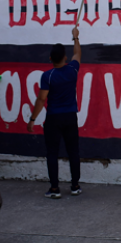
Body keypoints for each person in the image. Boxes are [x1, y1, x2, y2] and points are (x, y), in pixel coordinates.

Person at [27, 27, 82, 199]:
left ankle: (54, 189)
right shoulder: (72, 70)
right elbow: (78, 54)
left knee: (52, 153)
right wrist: (75, 38)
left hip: (53, 118)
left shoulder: (47, 76)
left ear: (50, 59)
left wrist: (32, 119)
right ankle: (75, 186)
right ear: (65, 58)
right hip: (70, 117)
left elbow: (41, 99)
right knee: (73, 151)